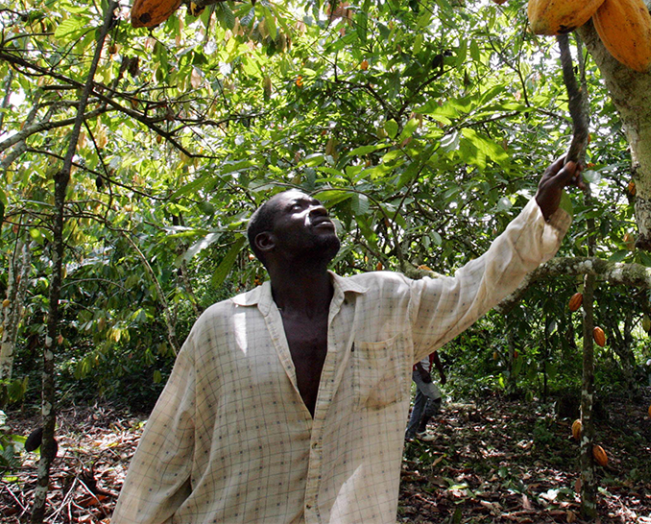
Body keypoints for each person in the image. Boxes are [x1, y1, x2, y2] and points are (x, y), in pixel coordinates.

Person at [112, 156, 580, 524]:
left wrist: (539, 208)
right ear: (265, 244)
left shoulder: (387, 300)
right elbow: (166, 452)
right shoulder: (220, 327)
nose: (317, 208)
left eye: (318, 203)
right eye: (297, 208)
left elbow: (474, 287)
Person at [404, 351, 446, 442]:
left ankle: (410, 433)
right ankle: (420, 429)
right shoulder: (421, 337)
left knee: (420, 403)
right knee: (436, 399)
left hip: (424, 371)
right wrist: (421, 371)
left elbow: (434, 353)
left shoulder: (432, 338)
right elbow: (414, 352)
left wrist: (441, 372)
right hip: (419, 371)